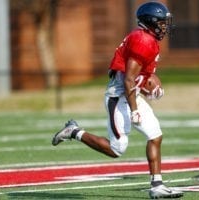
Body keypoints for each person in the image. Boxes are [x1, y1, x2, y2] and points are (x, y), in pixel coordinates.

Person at [51, 1, 183, 199]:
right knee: (117, 149)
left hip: (131, 94)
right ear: (150, 22)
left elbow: (139, 78)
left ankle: (157, 185)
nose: (165, 26)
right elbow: (129, 79)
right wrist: (135, 109)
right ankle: (74, 132)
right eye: (162, 22)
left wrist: (151, 91)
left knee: (155, 135)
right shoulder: (143, 40)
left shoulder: (147, 39)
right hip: (119, 97)